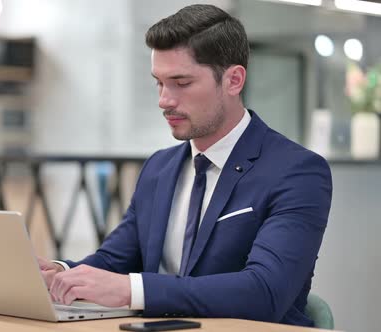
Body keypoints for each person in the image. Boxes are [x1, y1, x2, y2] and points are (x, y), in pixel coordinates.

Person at [38, 4, 332, 327]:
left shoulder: (297, 173)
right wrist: (61, 274)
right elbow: (113, 260)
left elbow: (262, 292)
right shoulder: (158, 169)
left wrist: (133, 290)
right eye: (159, 83)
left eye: (181, 82)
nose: (164, 100)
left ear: (234, 80)